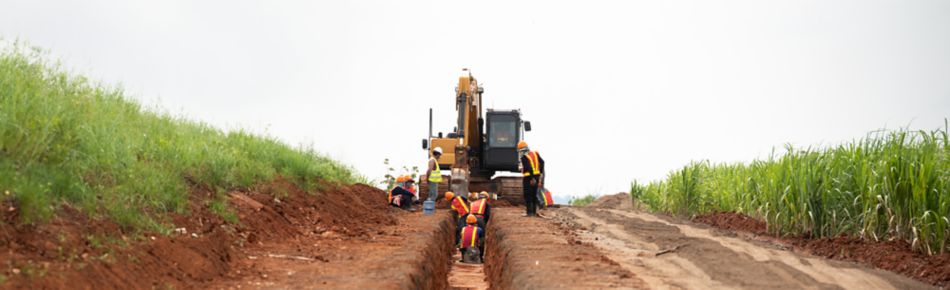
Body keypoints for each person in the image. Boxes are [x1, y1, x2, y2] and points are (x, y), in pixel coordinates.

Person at [518, 140, 545, 217]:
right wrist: (540, 173)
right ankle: (533, 212)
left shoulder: (524, 157)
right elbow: (542, 162)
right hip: (536, 176)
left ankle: (529, 213)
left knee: (528, 195)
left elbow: (529, 167)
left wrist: (532, 178)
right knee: (534, 194)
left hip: (529, 178)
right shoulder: (535, 153)